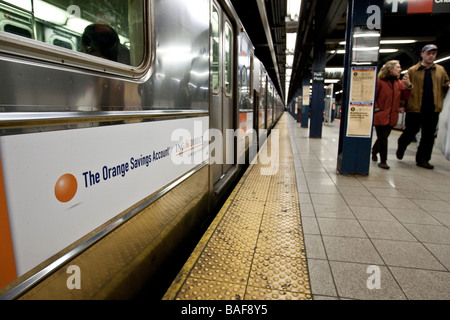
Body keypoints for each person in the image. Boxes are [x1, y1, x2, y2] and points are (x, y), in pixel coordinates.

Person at [396, 44, 450, 169]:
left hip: (433, 108)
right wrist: (402, 105)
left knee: (429, 135)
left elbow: (446, 82)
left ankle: (423, 159)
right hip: (415, 108)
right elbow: (405, 89)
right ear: (422, 54)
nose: (431, 56)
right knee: (411, 131)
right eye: (428, 53)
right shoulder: (412, 71)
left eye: (433, 54)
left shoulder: (440, 70)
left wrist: (448, 85)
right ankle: (402, 144)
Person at [372, 60, 413, 169]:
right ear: (390, 69)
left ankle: (374, 151)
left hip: (392, 116)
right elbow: (373, 96)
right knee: (383, 138)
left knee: (383, 137)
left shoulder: (398, 83)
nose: (400, 69)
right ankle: (383, 161)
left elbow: (405, 97)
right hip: (381, 114)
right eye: (397, 67)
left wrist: (408, 86)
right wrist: (376, 109)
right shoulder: (380, 81)